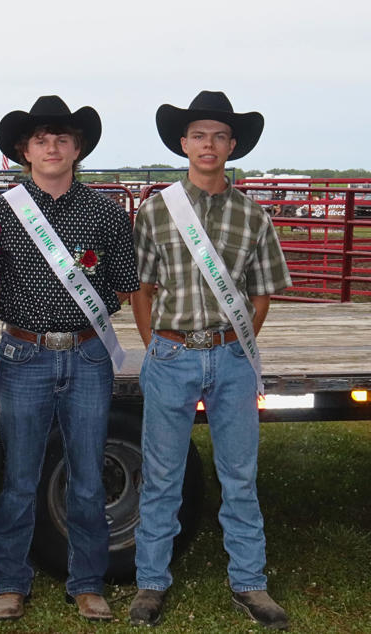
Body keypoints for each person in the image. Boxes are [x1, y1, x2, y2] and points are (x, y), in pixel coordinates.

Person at [129, 91, 292, 629]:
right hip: (172, 354)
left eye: (219, 136)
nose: (208, 144)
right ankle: (151, 582)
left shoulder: (253, 215)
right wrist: (158, 345)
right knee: (160, 475)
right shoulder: (156, 209)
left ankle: (250, 580)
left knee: (240, 474)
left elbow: (263, 290)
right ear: (183, 143)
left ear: (232, 145)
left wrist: (238, 343)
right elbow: (143, 288)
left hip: (232, 358)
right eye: (199, 135)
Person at [0, 96, 139, 622]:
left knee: (89, 476)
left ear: (78, 149)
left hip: (88, 355)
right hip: (23, 352)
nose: (52, 147)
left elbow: (122, 283)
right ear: (23, 150)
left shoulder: (106, 212)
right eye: (41, 139)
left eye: (62, 138)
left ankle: (88, 581)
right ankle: (10, 581)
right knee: (19, 475)